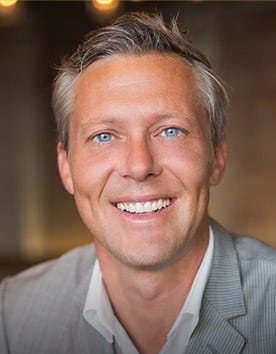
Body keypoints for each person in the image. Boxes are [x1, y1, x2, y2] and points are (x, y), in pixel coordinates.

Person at [1, 12, 276, 354]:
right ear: (66, 166)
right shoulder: (12, 315)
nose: (139, 165)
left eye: (170, 131)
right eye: (104, 136)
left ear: (217, 156)